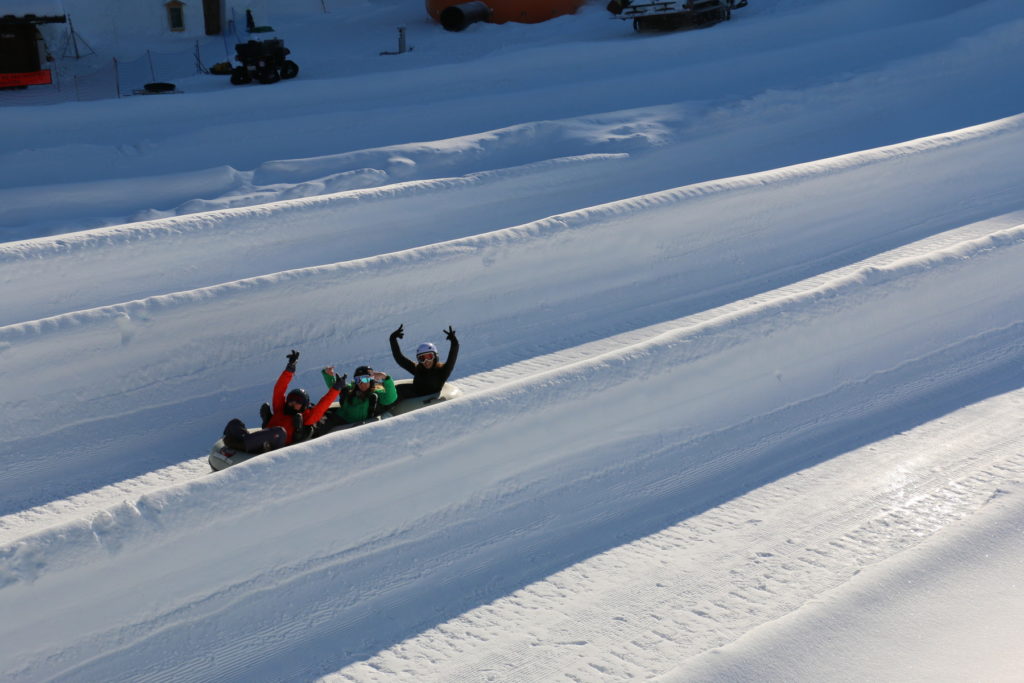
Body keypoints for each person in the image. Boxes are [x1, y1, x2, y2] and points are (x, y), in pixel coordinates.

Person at [222, 350, 343, 453]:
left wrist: (336, 388)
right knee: (235, 423)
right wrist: (290, 368)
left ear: (304, 405)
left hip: (274, 447)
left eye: (298, 401)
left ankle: (242, 444)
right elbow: (279, 389)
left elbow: (323, 405)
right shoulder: (281, 408)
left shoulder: (307, 417)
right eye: (291, 399)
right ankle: (241, 442)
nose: (293, 403)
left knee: (279, 432)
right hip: (263, 440)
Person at [316, 364, 398, 431]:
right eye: (358, 380)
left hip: (353, 426)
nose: (361, 383)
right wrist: (328, 375)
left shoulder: (375, 394)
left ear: (371, 380)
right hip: (338, 419)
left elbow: (391, 398)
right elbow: (335, 387)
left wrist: (385, 378)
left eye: (365, 379)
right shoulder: (350, 390)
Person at [389, 324, 459, 399]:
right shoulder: (418, 369)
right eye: (422, 358)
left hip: (422, 400)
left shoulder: (443, 371)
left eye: (429, 357)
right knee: (394, 389)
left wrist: (454, 342)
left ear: (435, 357)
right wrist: (392, 339)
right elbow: (399, 359)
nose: (426, 361)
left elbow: (452, 356)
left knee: (396, 394)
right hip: (413, 393)